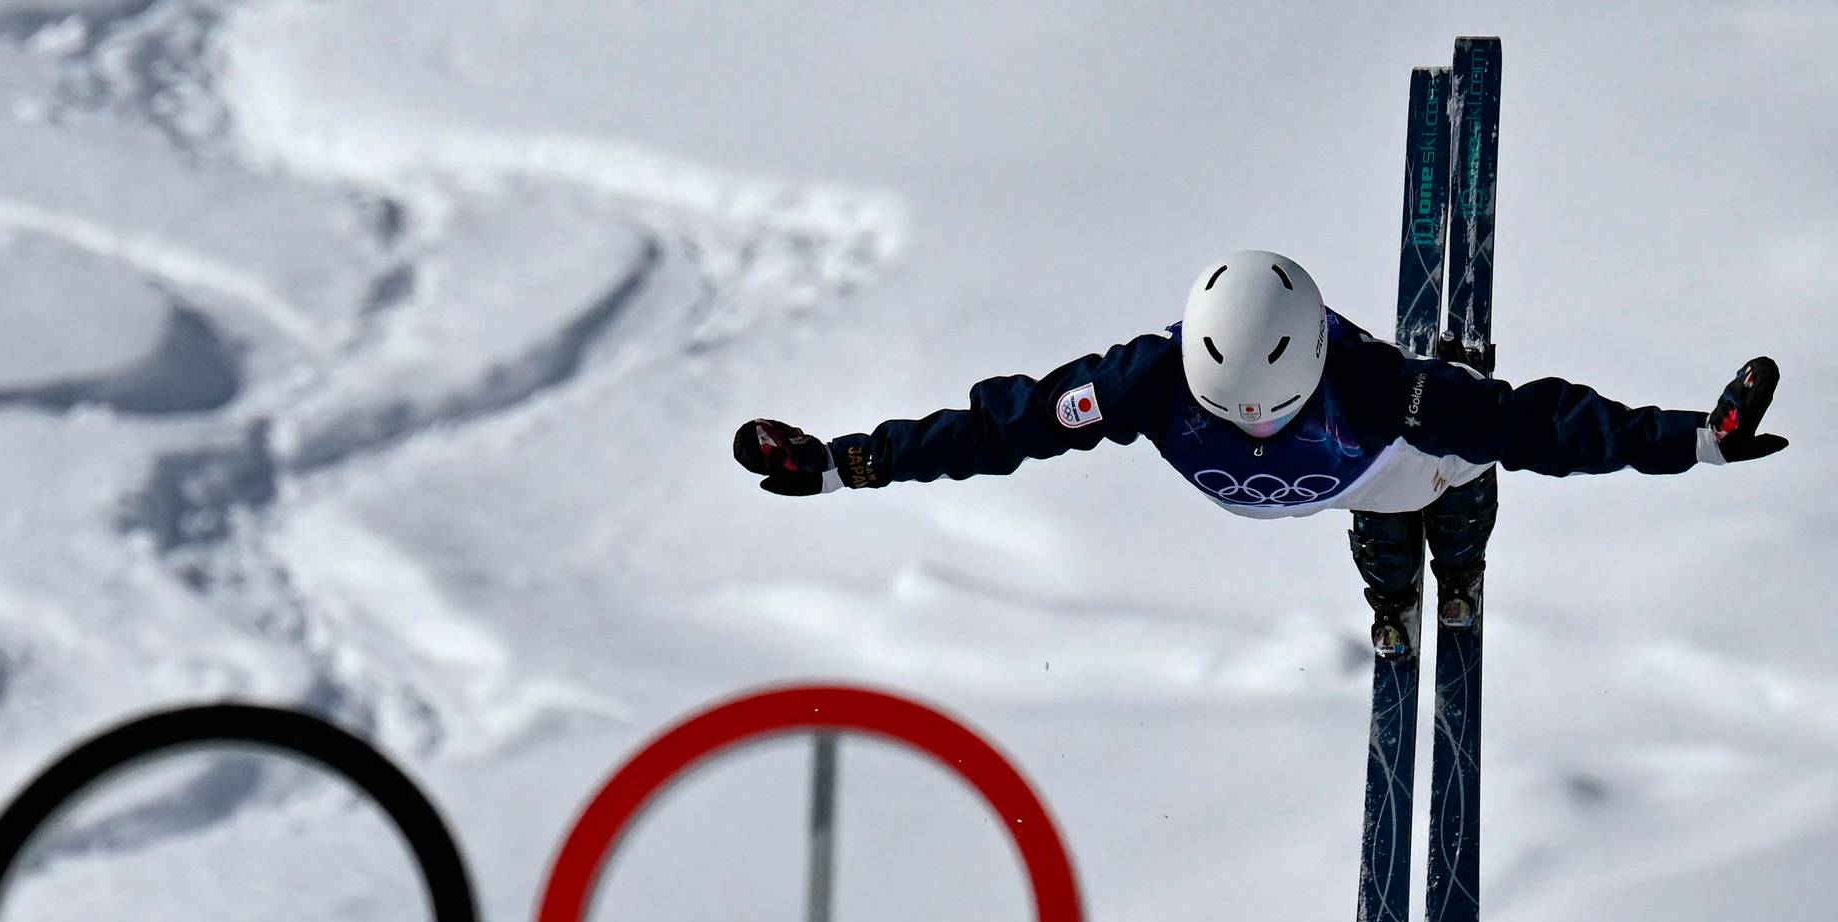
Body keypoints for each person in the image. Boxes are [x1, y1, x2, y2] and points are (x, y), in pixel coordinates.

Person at [734, 250, 1786, 658]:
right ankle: (1431, 579)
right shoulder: (1174, 379)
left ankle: (1422, 586)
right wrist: (848, 462)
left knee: (1427, 473)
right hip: (1352, 473)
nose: (1254, 422)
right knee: (1432, 479)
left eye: (1266, 411)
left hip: (1313, 480)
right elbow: (1538, 426)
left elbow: (1006, 425)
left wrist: (1692, 441)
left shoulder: (1175, 380)